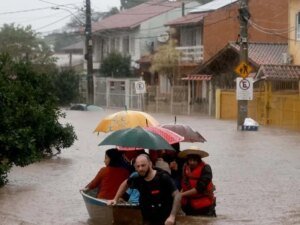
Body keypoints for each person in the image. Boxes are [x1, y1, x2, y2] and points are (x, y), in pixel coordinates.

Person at [107, 154, 182, 225]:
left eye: (143, 165)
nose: (140, 169)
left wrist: (172, 216)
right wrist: (115, 199)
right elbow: (125, 183)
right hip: (147, 218)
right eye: (138, 166)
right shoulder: (137, 178)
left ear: (150, 164)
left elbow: (177, 195)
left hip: (165, 219)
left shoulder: (162, 177)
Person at [178, 146, 216, 217]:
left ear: (199, 160)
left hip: (204, 205)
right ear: (187, 160)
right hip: (188, 204)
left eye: (194, 160)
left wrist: (181, 195)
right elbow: (184, 183)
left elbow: (200, 188)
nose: (192, 162)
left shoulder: (206, 168)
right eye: (190, 160)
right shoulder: (185, 167)